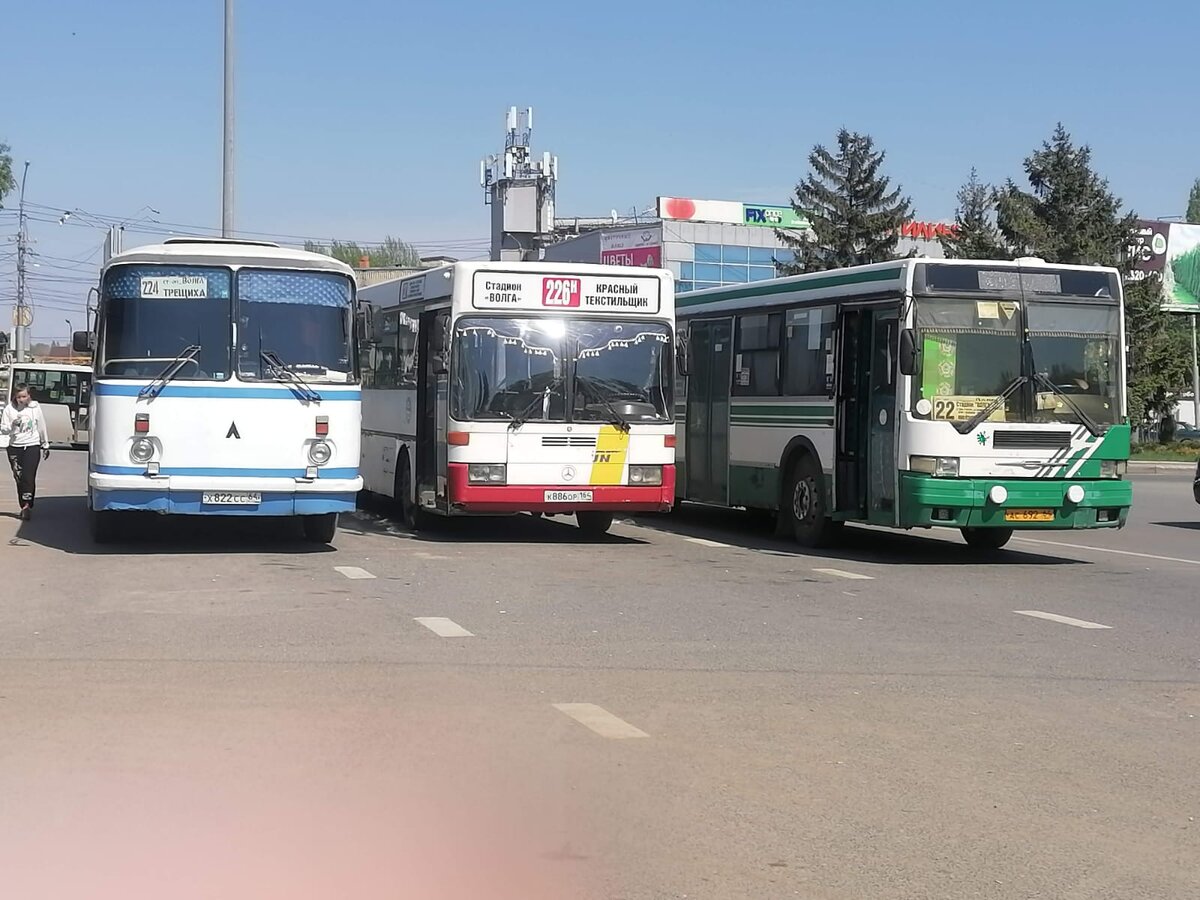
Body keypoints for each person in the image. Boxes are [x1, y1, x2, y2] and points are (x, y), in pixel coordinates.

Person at [1, 383, 50, 520]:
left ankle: (26, 505)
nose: (21, 399)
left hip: (32, 445)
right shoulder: (9, 410)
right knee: (19, 477)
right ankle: (23, 503)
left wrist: (45, 444)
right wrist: (12, 425)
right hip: (15, 446)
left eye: (24, 396)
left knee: (29, 477)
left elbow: (41, 426)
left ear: (29, 396)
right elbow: (3, 429)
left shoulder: (35, 408)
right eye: (18, 397)